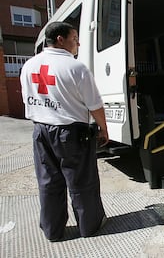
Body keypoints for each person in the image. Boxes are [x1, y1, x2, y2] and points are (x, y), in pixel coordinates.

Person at [20, 21, 109, 241]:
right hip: (71, 133)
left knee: (48, 183)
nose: (78, 42)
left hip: (40, 131)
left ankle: (53, 231)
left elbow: (27, 100)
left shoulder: (29, 65)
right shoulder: (75, 67)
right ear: (61, 39)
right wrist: (104, 129)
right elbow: (95, 105)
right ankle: (90, 226)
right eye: (75, 37)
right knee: (81, 182)